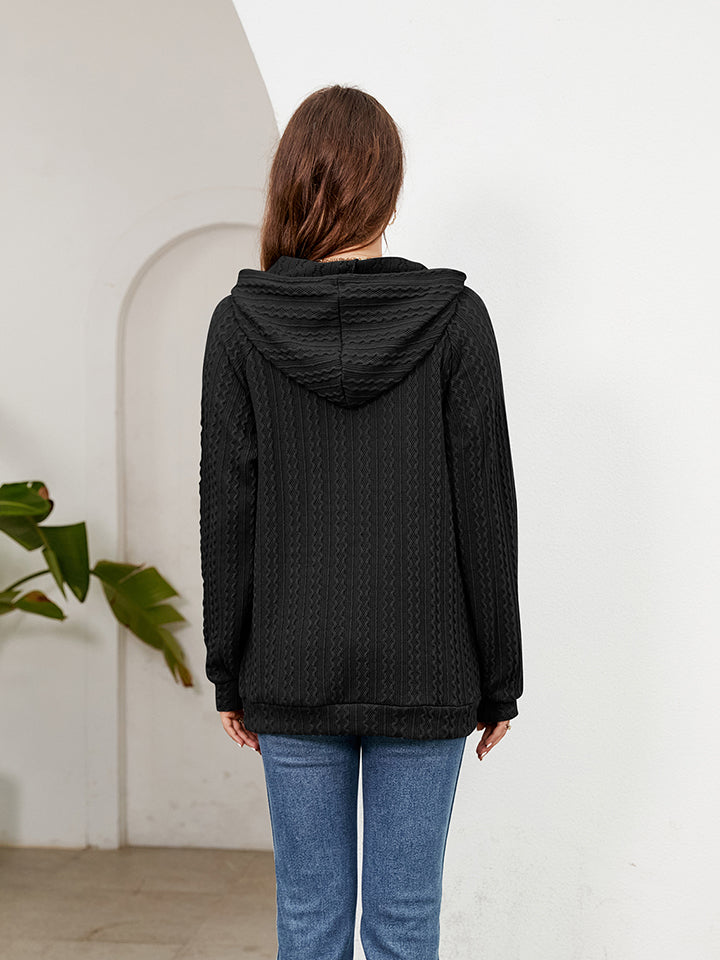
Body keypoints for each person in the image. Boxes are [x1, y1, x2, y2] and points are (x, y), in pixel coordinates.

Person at [199, 83, 523, 960]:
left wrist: (230, 669)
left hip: (290, 664)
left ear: (290, 182)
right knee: (405, 921)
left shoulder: (240, 326)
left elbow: (227, 507)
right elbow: (486, 509)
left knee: (308, 919)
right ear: (388, 189)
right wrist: (501, 677)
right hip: (430, 666)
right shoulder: (456, 321)